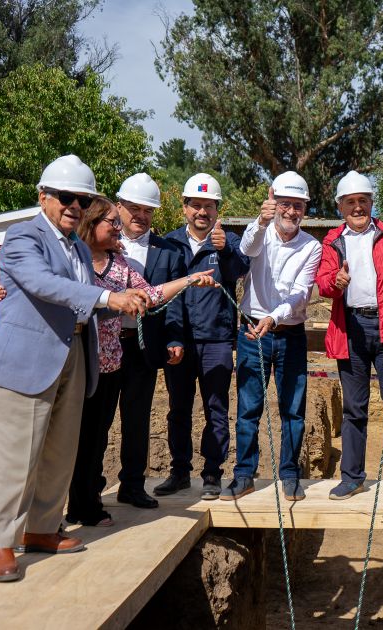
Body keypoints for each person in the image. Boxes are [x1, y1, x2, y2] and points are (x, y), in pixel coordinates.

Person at [0, 155, 148, 582]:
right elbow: (44, 284)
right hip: (27, 358)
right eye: (66, 197)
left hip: (74, 351)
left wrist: (126, 300)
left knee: (60, 450)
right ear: (44, 197)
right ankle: (0, 542)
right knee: (17, 455)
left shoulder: (77, 247)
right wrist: (109, 298)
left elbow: (84, 296)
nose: (75, 206)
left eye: (83, 200)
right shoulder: (23, 236)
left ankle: (41, 528)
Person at [65, 198, 215, 526]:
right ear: (92, 223)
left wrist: (189, 280)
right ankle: (82, 500)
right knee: (88, 433)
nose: (118, 228)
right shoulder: (73, 259)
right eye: (112, 222)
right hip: (81, 358)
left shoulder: (119, 264)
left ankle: (103, 497)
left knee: (120, 425)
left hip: (112, 360)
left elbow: (152, 294)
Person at [315, 170, 383, 500]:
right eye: (350, 202)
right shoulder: (332, 241)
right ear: (340, 206)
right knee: (354, 408)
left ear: (371, 203)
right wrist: (335, 282)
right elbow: (323, 282)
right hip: (351, 329)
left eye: (363, 200)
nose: (358, 207)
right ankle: (352, 477)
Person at [225, 172, 321, 502]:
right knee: (248, 408)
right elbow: (246, 249)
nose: (291, 211)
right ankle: (244, 475)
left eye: (298, 206)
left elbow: (300, 293)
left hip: (289, 334)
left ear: (304, 209)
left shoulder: (311, 246)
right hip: (253, 333)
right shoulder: (259, 233)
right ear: (273, 201)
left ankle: (290, 475)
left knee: (293, 411)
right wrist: (261, 221)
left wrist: (274, 317)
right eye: (285, 204)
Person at [154, 173, 250, 500]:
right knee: (178, 409)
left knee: (216, 409)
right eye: (196, 205)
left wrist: (224, 252)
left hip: (216, 340)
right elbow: (162, 292)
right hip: (178, 339)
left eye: (209, 206)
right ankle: (179, 472)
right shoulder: (169, 243)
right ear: (184, 208)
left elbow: (238, 271)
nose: (202, 212)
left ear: (217, 210)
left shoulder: (229, 241)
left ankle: (212, 474)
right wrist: (171, 337)